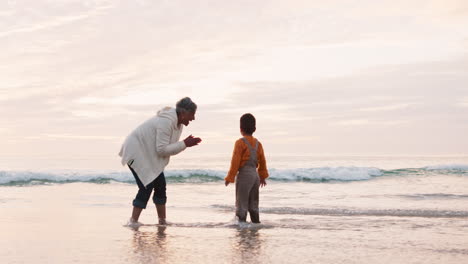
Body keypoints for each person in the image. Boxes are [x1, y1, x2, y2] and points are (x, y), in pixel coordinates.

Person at [119, 97, 201, 225]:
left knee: (160, 185)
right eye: (192, 114)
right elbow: (162, 150)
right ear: (184, 113)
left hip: (147, 154)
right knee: (147, 186)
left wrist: (185, 144)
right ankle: (133, 221)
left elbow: (169, 148)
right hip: (136, 152)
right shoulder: (166, 122)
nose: (193, 118)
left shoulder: (178, 125)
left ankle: (162, 221)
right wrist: (185, 143)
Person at [225, 113, 269, 223]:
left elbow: (235, 161)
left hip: (245, 175)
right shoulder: (259, 144)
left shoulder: (240, 143)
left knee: (241, 205)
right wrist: (262, 176)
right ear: (254, 128)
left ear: (241, 129)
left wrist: (230, 177)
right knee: (253, 206)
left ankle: (241, 229)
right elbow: (262, 161)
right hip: (255, 176)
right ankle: (255, 226)